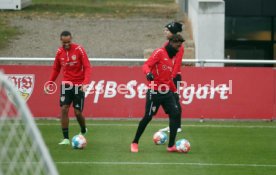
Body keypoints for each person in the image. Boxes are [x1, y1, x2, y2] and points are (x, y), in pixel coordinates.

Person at [130, 34, 185, 153]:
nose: (178, 48)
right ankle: (135, 142)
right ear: (171, 43)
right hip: (154, 91)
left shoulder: (172, 59)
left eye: (180, 46)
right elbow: (146, 65)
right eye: (177, 45)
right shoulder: (159, 52)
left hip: (167, 92)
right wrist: (148, 73)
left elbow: (169, 78)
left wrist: (174, 92)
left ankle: (171, 146)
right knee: (148, 117)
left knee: (175, 114)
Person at [45, 31, 91, 145]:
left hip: (78, 85)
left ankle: (83, 129)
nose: (66, 44)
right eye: (64, 42)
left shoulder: (79, 50)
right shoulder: (59, 52)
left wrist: (85, 83)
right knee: (64, 109)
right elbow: (56, 69)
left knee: (77, 112)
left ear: (71, 39)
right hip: (66, 85)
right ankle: (65, 138)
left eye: (68, 42)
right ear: (61, 40)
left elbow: (87, 67)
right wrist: (50, 82)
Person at [159, 22, 184, 133]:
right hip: (167, 77)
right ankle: (172, 125)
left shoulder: (179, 46)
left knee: (175, 101)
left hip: (174, 77)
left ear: (173, 32)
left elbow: (177, 63)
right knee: (169, 102)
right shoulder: (166, 44)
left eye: (167, 30)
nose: (164, 32)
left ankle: (177, 126)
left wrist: (171, 77)